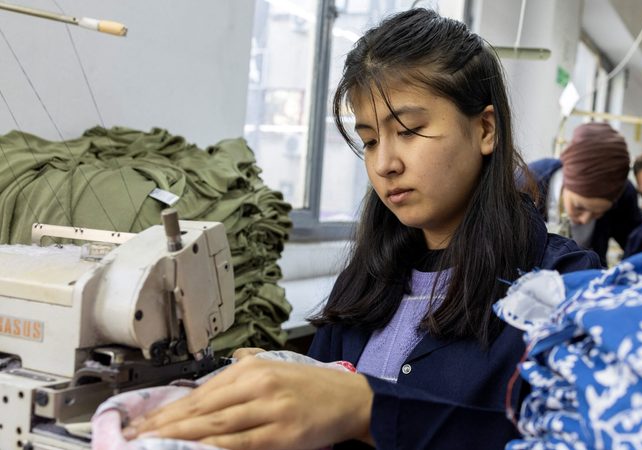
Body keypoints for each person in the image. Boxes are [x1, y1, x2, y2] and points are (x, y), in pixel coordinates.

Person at [124, 8, 601, 450]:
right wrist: (288, 380)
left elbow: (573, 439)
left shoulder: (562, 287)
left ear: (485, 130)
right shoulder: (369, 280)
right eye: (370, 141)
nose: (385, 164)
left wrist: (367, 409)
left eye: (410, 131)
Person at [525, 122, 642, 266]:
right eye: (579, 207)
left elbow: (639, 248)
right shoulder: (526, 185)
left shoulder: (623, 195)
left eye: (597, 214)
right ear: (565, 182)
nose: (584, 219)